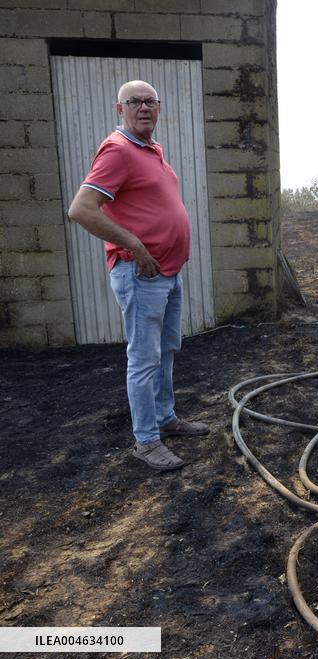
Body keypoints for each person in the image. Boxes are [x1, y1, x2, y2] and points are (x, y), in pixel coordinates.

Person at [67, 80, 209, 471]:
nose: (143, 107)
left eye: (150, 101)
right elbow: (81, 209)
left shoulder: (151, 149)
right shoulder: (117, 149)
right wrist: (134, 244)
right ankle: (146, 442)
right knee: (144, 359)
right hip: (140, 273)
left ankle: (165, 419)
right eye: (134, 102)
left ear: (159, 108)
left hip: (167, 271)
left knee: (166, 350)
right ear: (120, 109)